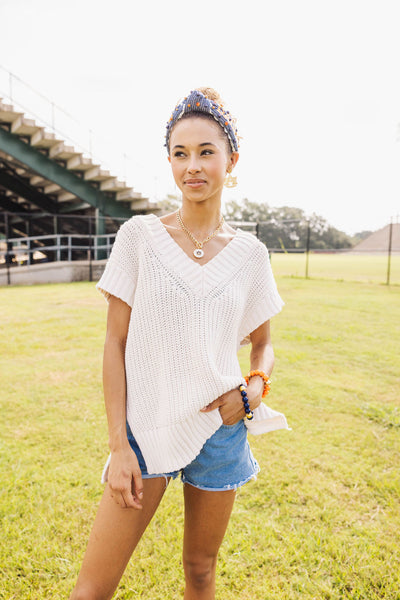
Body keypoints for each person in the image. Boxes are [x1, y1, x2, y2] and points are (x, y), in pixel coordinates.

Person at [69, 87, 288, 600]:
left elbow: (264, 345)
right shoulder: (139, 237)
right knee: (92, 589)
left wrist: (253, 393)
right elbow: (114, 343)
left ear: (231, 159)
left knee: (201, 571)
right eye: (180, 153)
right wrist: (119, 446)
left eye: (206, 152)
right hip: (146, 429)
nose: (192, 166)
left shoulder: (251, 255)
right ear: (168, 160)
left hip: (221, 430)